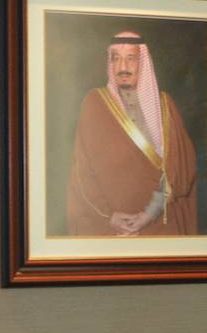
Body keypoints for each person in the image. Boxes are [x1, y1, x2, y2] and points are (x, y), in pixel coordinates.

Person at [65, 29, 199, 236]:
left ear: (143, 62)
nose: (123, 67)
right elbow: (83, 171)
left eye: (131, 58)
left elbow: (180, 168)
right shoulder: (95, 103)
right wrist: (109, 216)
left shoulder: (165, 105)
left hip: (160, 222)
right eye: (116, 58)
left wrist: (150, 213)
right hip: (111, 226)